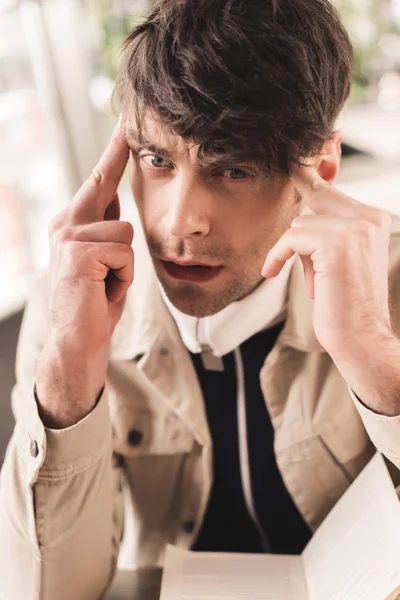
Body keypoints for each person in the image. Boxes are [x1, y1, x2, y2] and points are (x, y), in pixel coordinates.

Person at [1, 0, 400, 598]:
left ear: (322, 166)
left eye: (233, 170)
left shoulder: (391, 278)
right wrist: (66, 384)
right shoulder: (68, 303)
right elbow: (50, 591)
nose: (180, 221)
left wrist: (374, 357)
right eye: (155, 159)